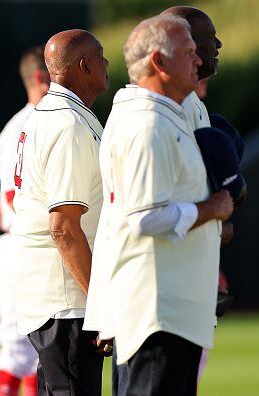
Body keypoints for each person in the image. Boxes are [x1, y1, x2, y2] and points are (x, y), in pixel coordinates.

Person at [98, 15, 233, 395]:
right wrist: (213, 207)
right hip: (158, 315)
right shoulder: (148, 124)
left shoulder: (164, 116)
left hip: (172, 311)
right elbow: (144, 216)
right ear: (159, 62)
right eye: (189, 53)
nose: (198, 61)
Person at [9, 30, 109, 395]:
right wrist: (103, 306)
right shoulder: (67, 123)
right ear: (83, 65)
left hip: (59, 295)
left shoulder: (58, 114)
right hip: (67, 299)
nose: (107, 63)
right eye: (100, 55)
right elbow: (64, 228)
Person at [0, 45, 49, 396]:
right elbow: (13, 198)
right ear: (41, 77)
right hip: (23, 243)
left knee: (35, 353)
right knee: (18, 349)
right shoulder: (26, 126)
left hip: (26, 242)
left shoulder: (23, 124)